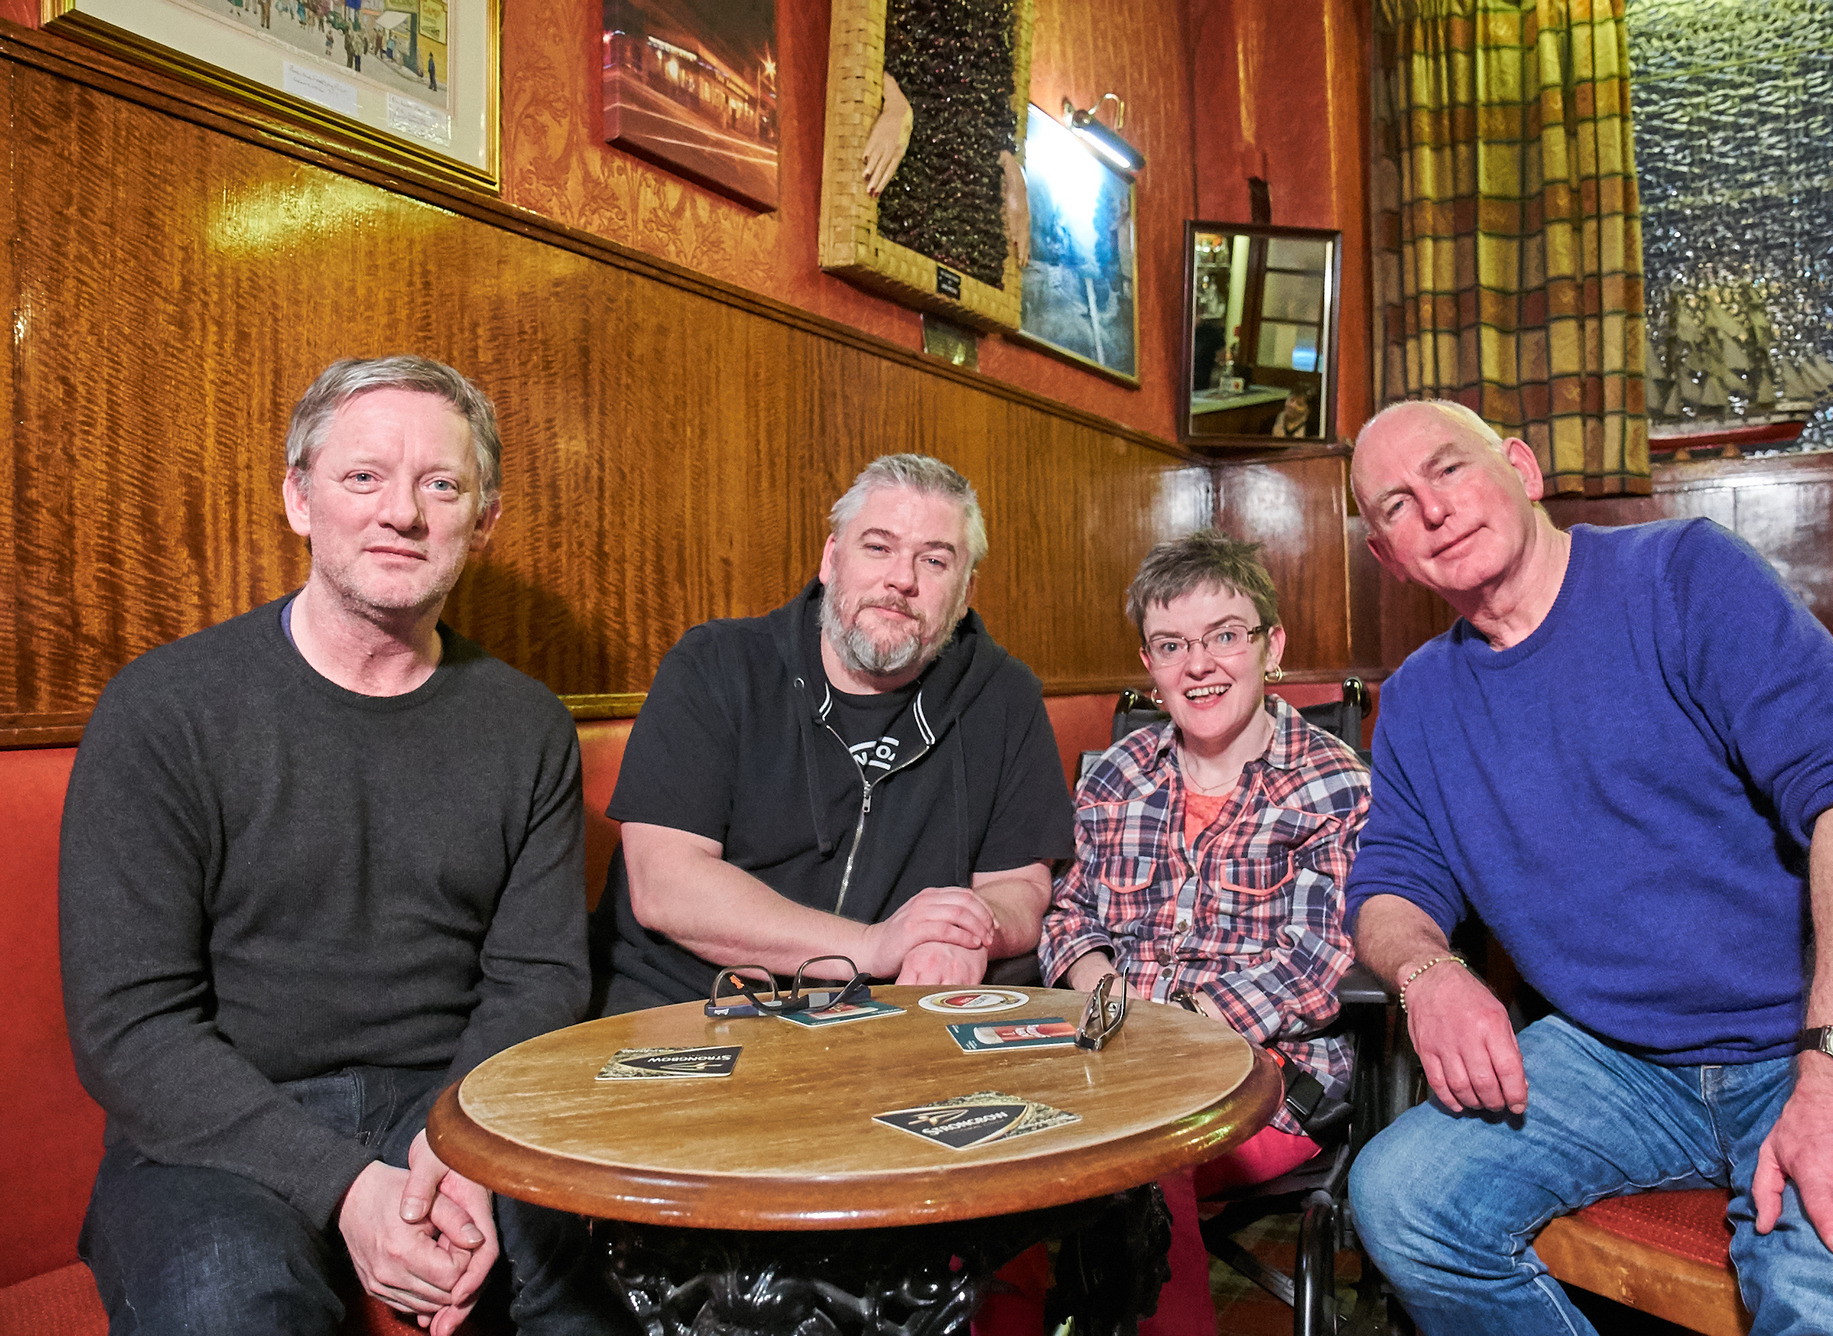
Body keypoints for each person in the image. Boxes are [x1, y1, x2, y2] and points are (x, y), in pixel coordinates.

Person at [1342, 399, 1833, 1334]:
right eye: (1397, 506)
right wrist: (1426, 970)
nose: (1434, 510)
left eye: (1450, 469)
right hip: (1628, 1057)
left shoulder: (1683, 575)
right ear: (1386, 555)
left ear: (1523, 470)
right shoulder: (1416, 701)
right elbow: (1390, 885)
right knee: (1403, 1201)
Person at [60, 357, 620, 1336]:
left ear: (481, 520)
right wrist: (349, 1188)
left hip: (451, 1096)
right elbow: (130, 1027)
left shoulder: (526, 726)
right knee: (232, 1305)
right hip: (218, 1127)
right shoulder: (164, 710)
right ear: (298, 497)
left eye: (440, 484)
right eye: (363, 477)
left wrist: (456, 1144)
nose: (400, 511)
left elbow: (536, 979)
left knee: (590, 1294)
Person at [1030, 528, 1371, 1336]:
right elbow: (1067, 914)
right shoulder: (1114, 774)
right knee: (1006, 1153)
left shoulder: (1334, 782)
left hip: (1271, 1074)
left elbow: (1323, 962)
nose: (1200, 664)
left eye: (1225, 636)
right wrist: (1104, 992)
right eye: (1171, 644)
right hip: (1105, 1057)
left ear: (1271, 645)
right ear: (1149, 666)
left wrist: (1174, 1028)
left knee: (1142, 1153)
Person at [600, 453, 1074, 1013]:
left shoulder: (1005, 695)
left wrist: (966, 933)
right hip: (692, 1010)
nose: (902, 579)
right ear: (830, 559)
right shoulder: (715, 665)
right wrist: (871, 946)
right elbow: (665, 885)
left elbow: (1018, 885)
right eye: (878, 547)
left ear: (966, 593)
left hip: (896, 1022)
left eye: (935, 561)